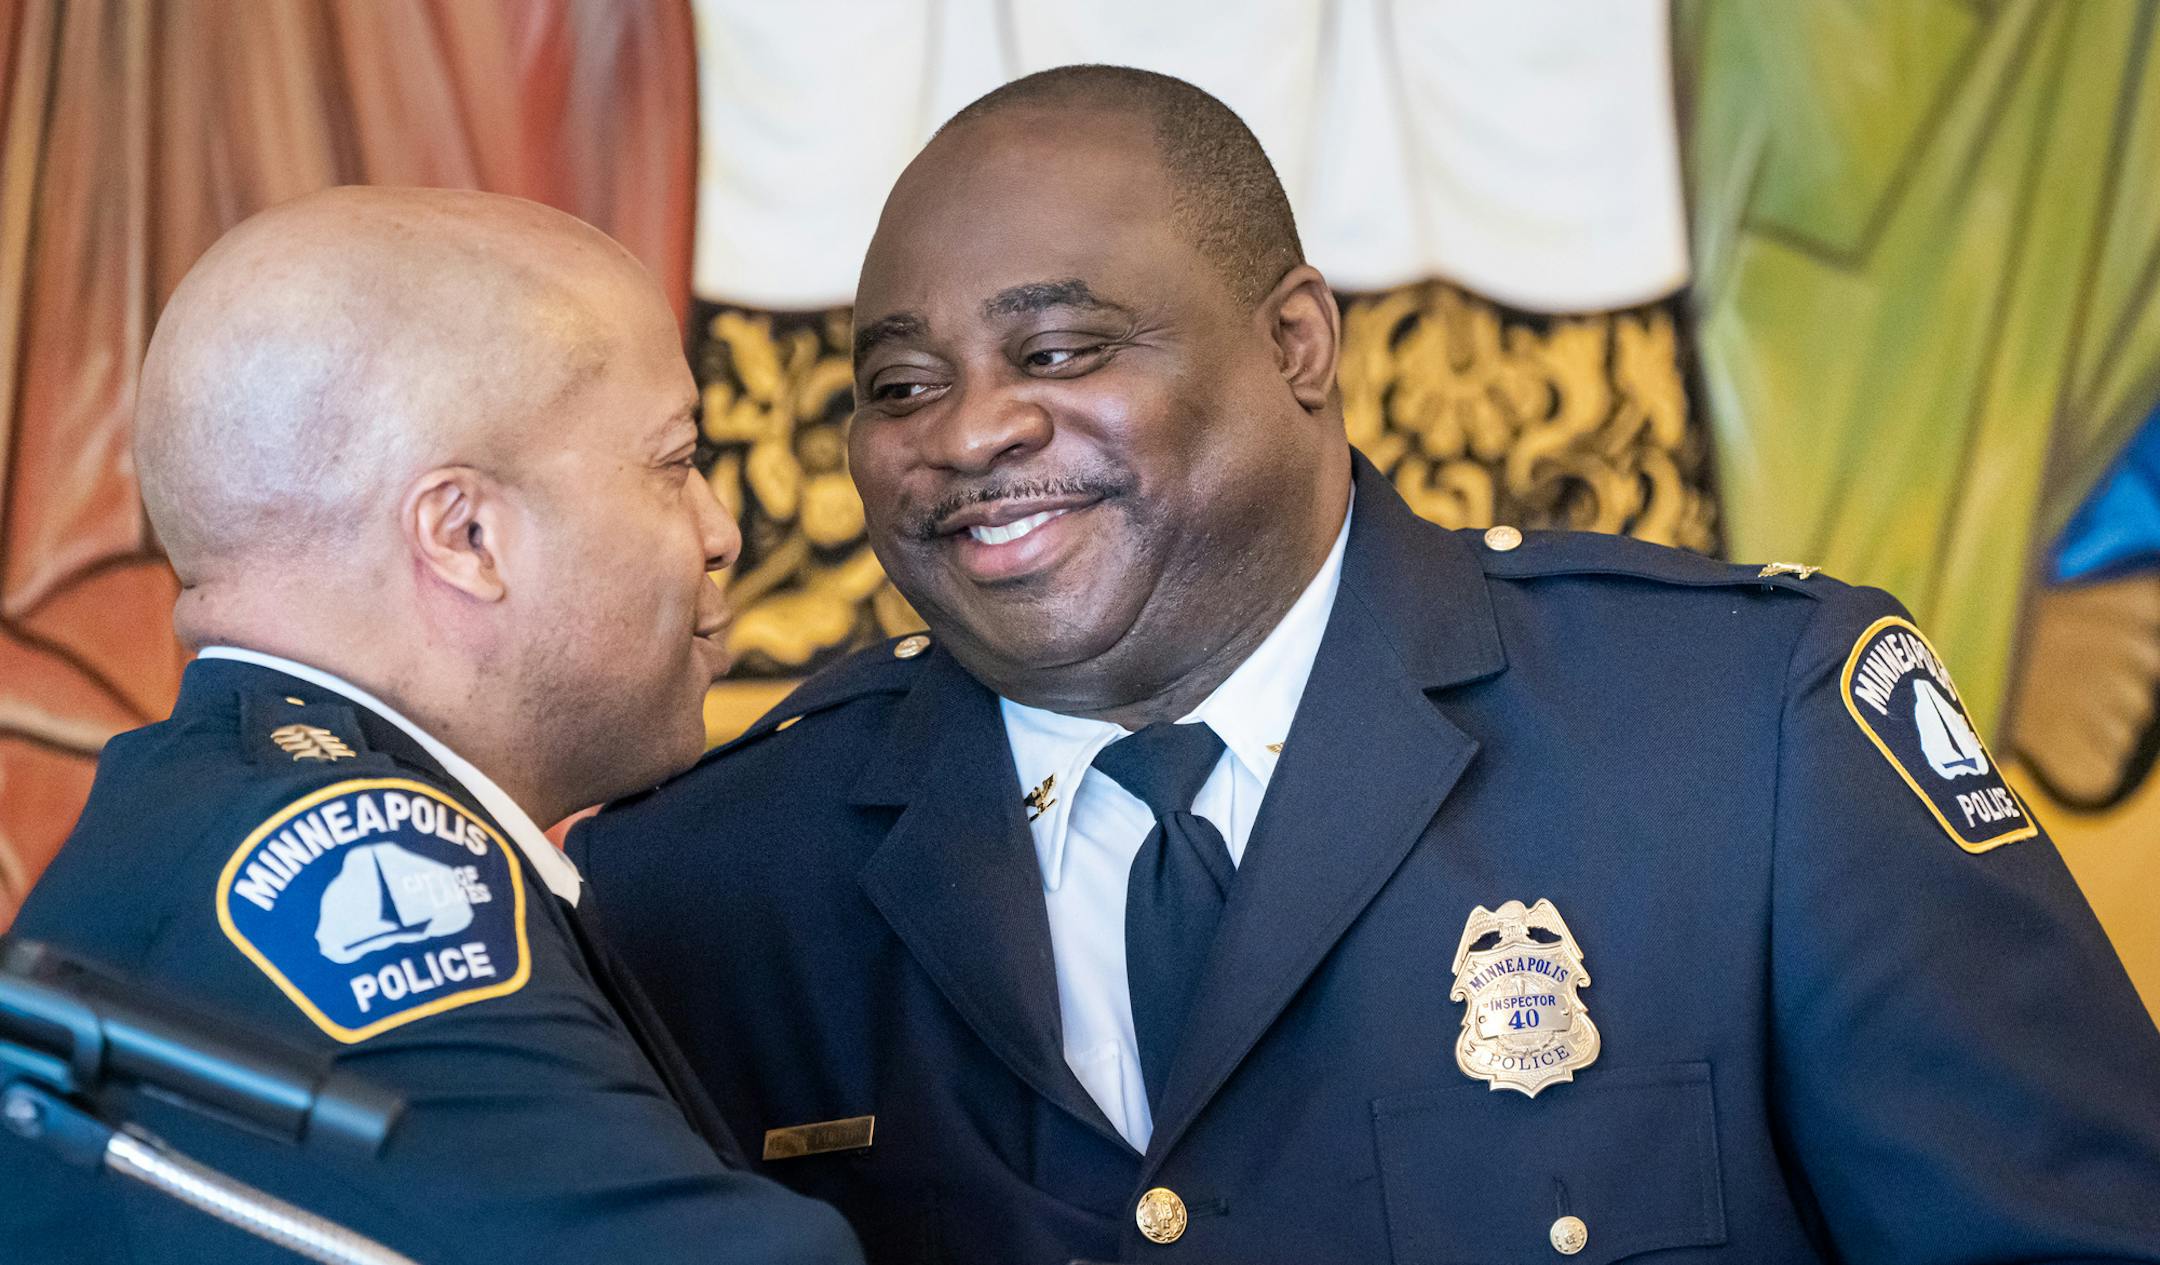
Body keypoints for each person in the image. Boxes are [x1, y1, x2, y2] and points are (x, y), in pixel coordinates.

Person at [571, 66, 2160, 1264]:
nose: (969, 432)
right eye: (901, 383)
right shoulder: (713, 881)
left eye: (1059, 353)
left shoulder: (1753, 739)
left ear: (1297, 347)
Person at [0, 188, 862, 1264]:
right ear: (466, 535)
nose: (720, 531)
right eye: (675, 464)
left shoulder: (213, 810)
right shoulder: (350, 860)